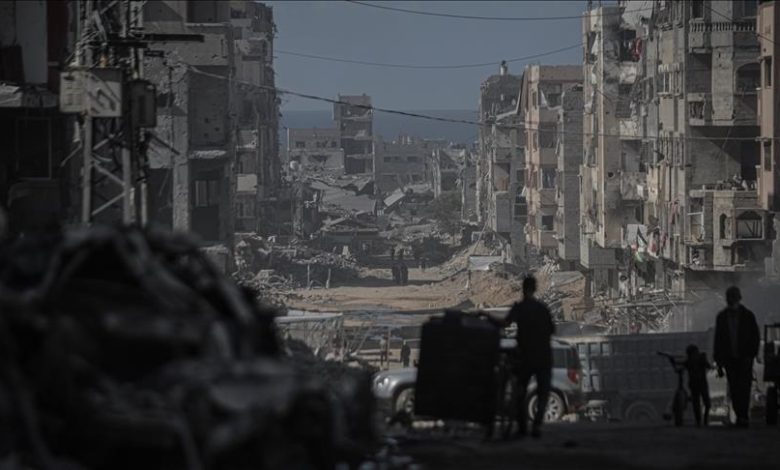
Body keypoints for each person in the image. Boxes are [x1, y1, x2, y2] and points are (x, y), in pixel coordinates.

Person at [504, 275, 555, 438]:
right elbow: (552, 330)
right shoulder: (542, 308)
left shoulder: (519, 307)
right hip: (543, 357)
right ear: (535, 289)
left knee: (520, 392)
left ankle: (522, 427)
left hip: (525, 357)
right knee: (543, 393)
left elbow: (505, 323)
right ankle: (537, 426)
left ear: (523, 288)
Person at [713, 286, 760, 428]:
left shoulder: (748, 316)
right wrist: (719, 363)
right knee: (734, 388)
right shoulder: (721, 318)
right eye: (729, 298)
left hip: (744, 359)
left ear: (738, 299)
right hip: (730, 360)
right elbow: (718, 341)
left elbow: (755, 338)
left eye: (733, 297)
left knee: (744, 388)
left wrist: (751, 355)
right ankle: (741, 416)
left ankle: (743, 417)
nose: (731, 300)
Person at [684, 344, 712, 427]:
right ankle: (703, 420)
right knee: (703, 403)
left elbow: (682, 365)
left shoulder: (691, 361)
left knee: (698, 403)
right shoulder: (700, 358)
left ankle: (699, 420)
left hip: (696, 384)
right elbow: (708, 366)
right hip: (700, 384)